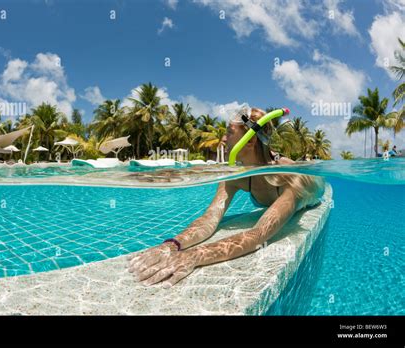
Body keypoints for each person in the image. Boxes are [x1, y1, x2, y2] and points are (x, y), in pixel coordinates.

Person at [128, 107, 325, 288]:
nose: (223, 139)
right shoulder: (235, 176)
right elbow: (210, 218)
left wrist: (194, 256)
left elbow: (259, 234)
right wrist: (172, 245)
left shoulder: (289, 178)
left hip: (314, 191)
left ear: (249, 140)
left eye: (229, 132)